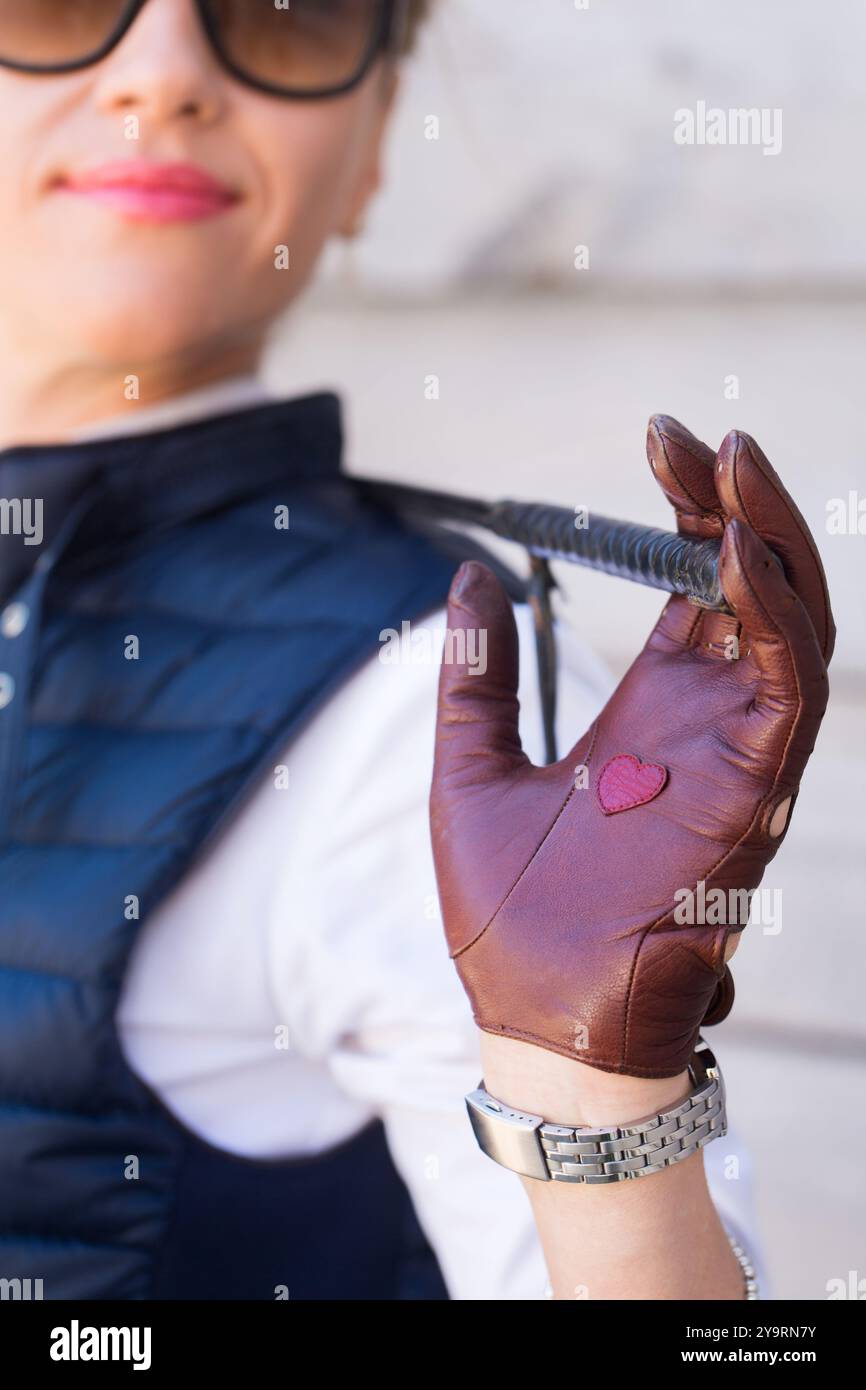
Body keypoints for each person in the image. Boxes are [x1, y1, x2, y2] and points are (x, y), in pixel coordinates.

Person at [0, 0, 831, 1301]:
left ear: (374, 133)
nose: (160, 78)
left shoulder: (435, 703)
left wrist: (589, 1081)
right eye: (50, 2)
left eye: (285, 17)